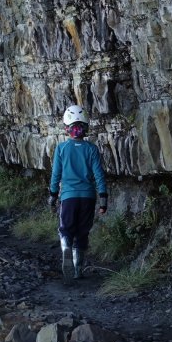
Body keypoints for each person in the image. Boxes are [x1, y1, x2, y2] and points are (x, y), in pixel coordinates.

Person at [48, 105, 108, 280]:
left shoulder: (61, 149)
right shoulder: (91, 149)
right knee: (82, 232)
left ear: (67, 128)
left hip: (68, 197)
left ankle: (66, 248)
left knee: (66, 229)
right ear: (86, 127)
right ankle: (77, 269)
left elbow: (56, 175)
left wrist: (52, 195)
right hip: (88, 197)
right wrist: (103, 199)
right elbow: (99, 175)